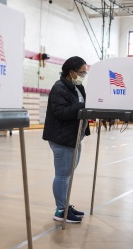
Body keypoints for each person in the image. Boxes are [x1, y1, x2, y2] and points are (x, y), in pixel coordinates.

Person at [42, 56, 91, 223]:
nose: (83, 75)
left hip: (74, 137)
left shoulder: (78, 87)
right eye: (81, 73)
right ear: (71, 72)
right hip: (62, 138)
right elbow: (61, 112)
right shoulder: (59, 88)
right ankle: (61, 210)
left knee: (68, 174)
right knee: (62, 175)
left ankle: (65, 204)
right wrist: (84, 105)